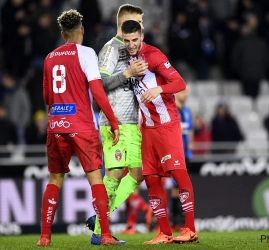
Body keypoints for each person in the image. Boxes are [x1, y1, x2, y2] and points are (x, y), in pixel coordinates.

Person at [37, 9, 120, 246]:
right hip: (81, 126)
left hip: (56, 125)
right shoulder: (86, 53)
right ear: (81, 31)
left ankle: (44, 237)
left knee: (54, 180)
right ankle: (104, 235)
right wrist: (113, 122)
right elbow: (97, 91)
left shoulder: (49, 58)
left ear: (63, 34)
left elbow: (46, 96)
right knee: (96, 179)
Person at [121, 20, 198, 244]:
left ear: (142, 36)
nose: (131, 44)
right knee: (151, 179)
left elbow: (180, 83)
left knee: (178, 173)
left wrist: (159, 89)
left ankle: (190, 229)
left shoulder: (153, 56)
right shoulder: (125, 58)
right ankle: (164, 232)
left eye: (135, 40)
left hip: (166, 124)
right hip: (146, 128)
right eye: (127, 41)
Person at [85, 4, 147, 245]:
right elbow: (99, 84)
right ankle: (100, 231)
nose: (142, 25)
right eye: (138, 21)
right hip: (114, 123)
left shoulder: (133, 49)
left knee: (138, 173)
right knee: (114, 173)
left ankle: (101, 217)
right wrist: (128, 74)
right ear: (125, 22)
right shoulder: (111, 49)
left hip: (132, 123)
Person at [170, 88, 194, 231]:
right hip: (176, 155)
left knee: (185, 187)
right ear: (177, 93)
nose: (186, 95)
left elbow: (190, 129)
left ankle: (186, 222)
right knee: (175, 189)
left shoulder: (187, 111)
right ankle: (176, 221)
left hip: (187, 155)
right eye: (184, 92)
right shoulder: (173, 110)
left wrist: (191, 143)